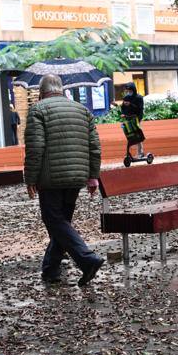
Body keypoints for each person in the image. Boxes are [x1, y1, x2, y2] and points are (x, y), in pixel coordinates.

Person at [24, 74, 104, 287]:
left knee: (55, 222)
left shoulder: (38, 111)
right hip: (76, 177)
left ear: (41, 92)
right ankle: (51, 269)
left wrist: (30, 178)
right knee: (62, 224)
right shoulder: (82, 111)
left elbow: (35, 148)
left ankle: (87, 259)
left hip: (50, 179)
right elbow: (94, 147)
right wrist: (93, 176)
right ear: (61, 88)